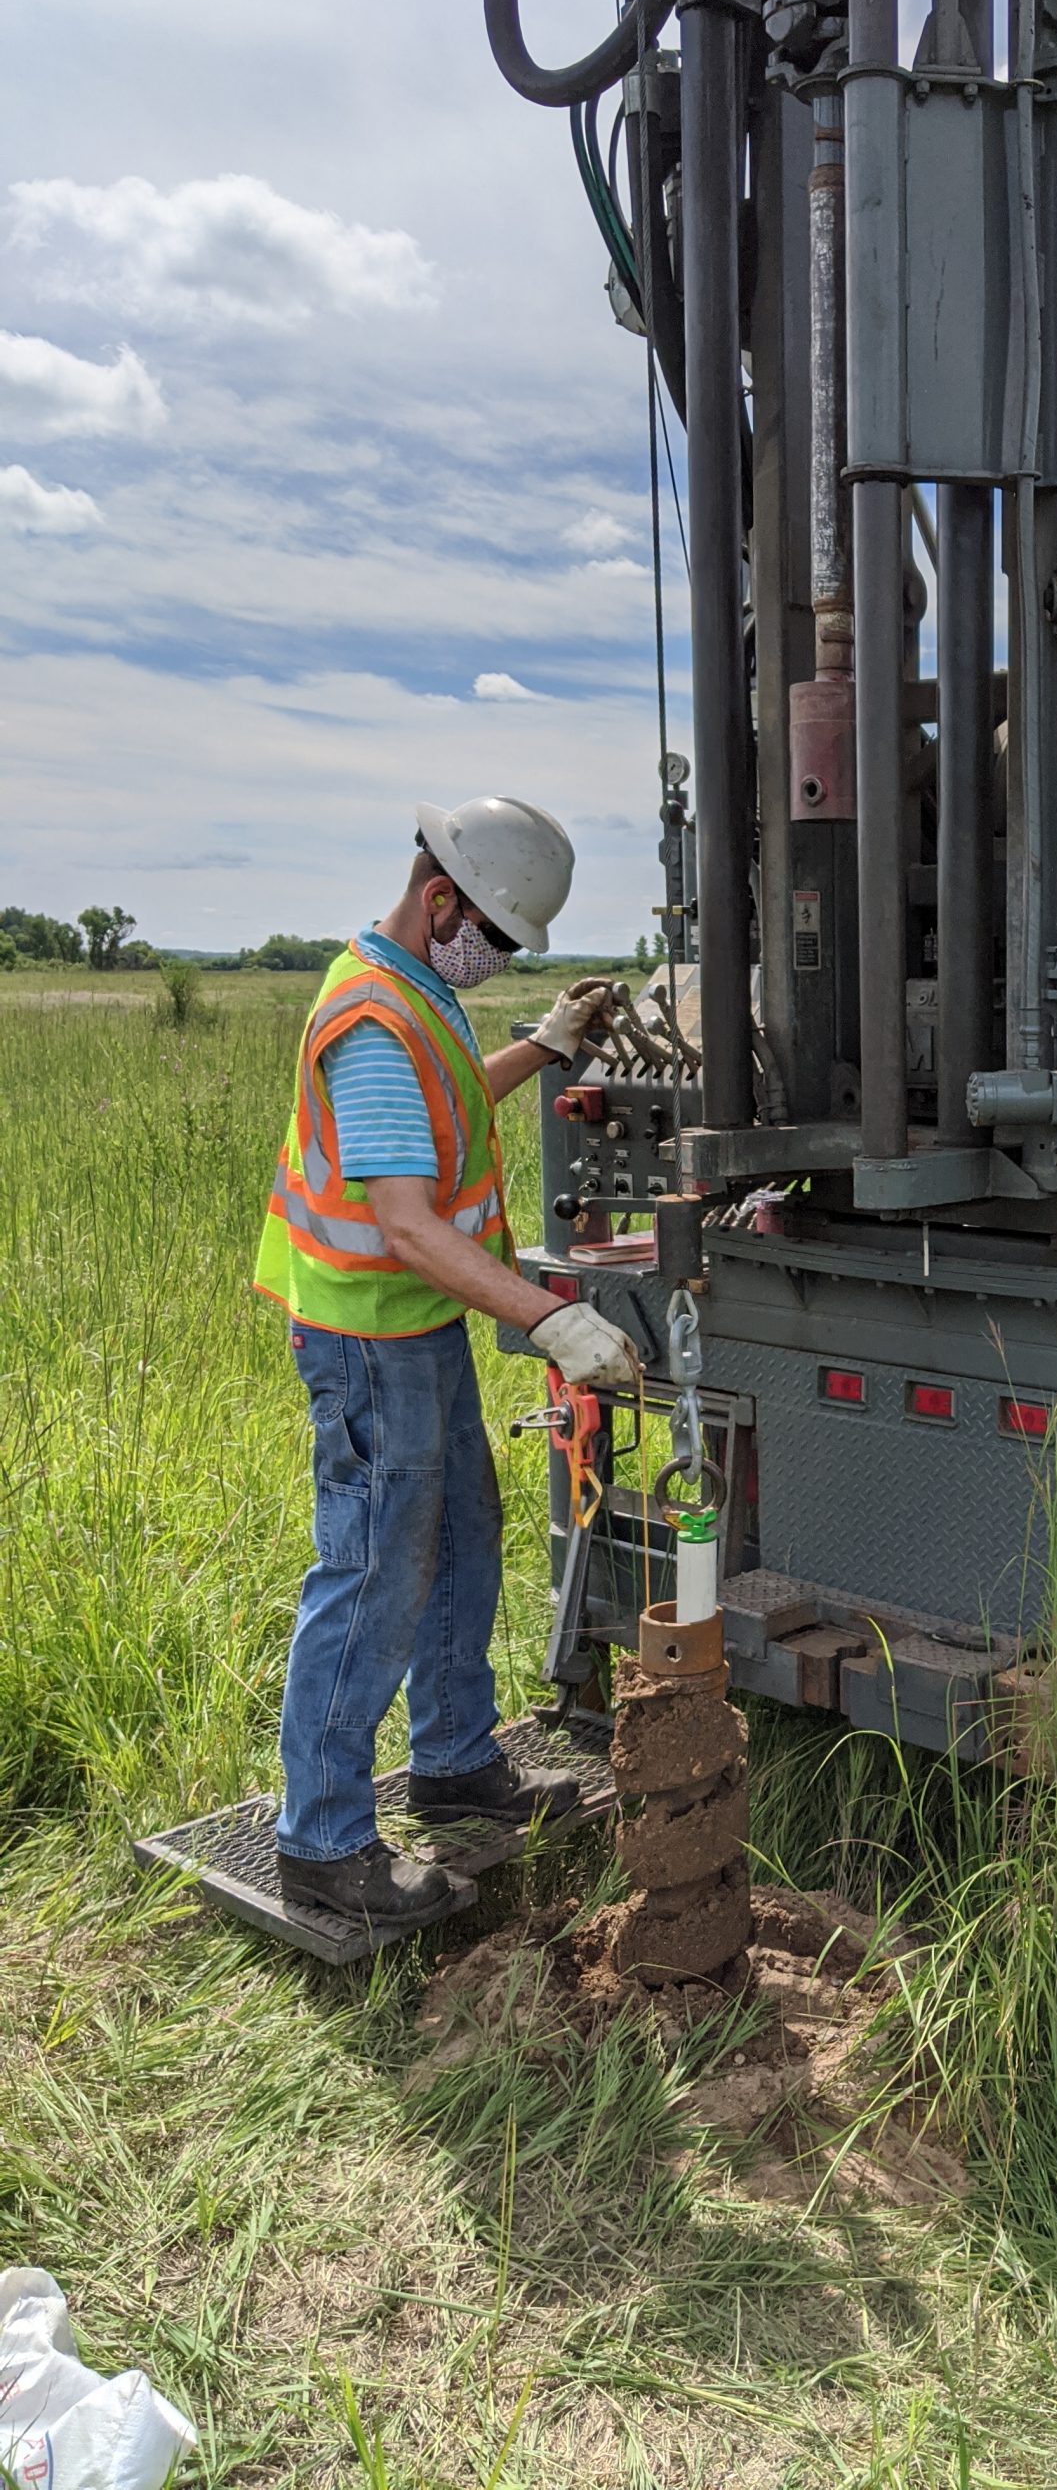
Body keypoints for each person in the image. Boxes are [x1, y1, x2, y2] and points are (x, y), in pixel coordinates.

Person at [254, 795, 645, 1924]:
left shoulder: (412, 992)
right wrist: (548, 1318)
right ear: (441, 903)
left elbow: (449, 1099)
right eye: (499, 939)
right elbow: (409, 1222)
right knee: (376, 1569)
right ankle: (323, 1843)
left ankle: (455, 1761)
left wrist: (547, 1043)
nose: (501, 959)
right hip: (369, 1337)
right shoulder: (372, 1019)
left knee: (466, 1535)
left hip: (414, 1330)